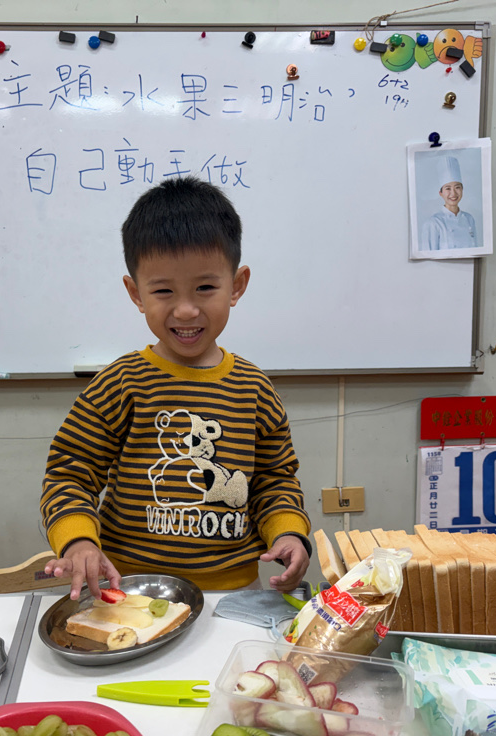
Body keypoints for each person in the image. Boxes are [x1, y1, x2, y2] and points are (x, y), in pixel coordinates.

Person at [40, 177, 312, 600]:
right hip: (130, 593)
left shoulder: (255, 389)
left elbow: (275, 481)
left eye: (205, 287)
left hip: (233, 595)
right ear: (136, 293)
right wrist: (78, 542)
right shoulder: (120, 383)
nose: (185, 310)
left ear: (237, 285)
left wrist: (290, 532)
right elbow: (69, 473)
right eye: (164, 291)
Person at [420, 155, 478, 251]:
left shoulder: (469, 219)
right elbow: (427, 257)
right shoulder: (433, 223)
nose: (453, 193)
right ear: (441, 193)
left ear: (462, 189)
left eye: (457, 187)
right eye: (448, 188)